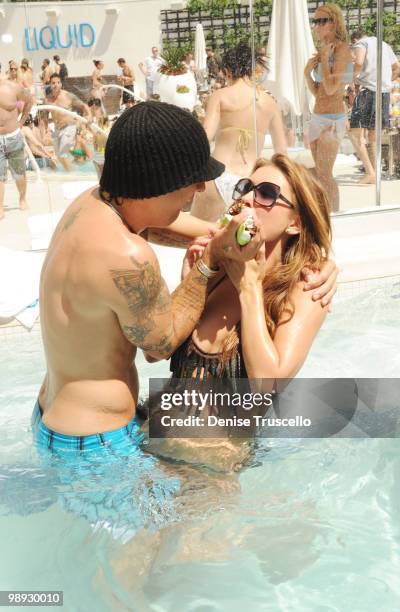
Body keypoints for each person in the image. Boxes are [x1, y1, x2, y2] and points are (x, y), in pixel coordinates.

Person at [34, 100, 267, 454]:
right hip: (97, 443)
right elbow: (160, 347)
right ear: (160, 182)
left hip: (56, 415)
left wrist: (220, 234)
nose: (201, 189)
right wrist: (209, 261)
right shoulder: (127, 256)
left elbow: (156, 224)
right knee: (206, 497)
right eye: (193, 180)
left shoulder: (90, 205)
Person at [148, 154, 334, 469]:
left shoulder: (305, 288)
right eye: (247, 187)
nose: (248, 197)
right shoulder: (217, 263)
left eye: (266, 194)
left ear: (295, 222)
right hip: (151, 440)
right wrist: (194, 279)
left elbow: (267, 386)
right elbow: (155, 350)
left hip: (210, 465)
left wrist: (250, 287)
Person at [191, 42, 288, 222]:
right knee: (241, 242)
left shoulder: (220, 96)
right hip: (249, 182)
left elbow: (204, 139)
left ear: (228, 70)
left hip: (218, 175)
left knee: (200, 239)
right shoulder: (270, 103)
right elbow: (282, 151)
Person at [304, 3, 353, 212]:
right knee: (318, 175)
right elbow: (319, 92)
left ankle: (335, 215)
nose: (317, 25)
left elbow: (333, 89)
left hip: (333, 118)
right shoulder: (323, 49)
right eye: (315, 20)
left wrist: (324, 59)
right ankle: (324, 214)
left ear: (334, 22)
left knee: (325, 174)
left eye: (322, 20)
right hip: (318, 116)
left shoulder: (342, 50)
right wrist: (307, 73)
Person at [348, 28, 400, 184]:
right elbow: (397, 68)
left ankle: (371, 172)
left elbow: (358, 62)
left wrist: (353, 79)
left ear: (355, 41)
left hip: (366, 92)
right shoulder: (384, 45)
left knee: (354, 134)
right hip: (383, 93)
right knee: (373, 135)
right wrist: (384, 81)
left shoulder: (361, 43)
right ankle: (375, 173)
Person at [0, 70, 33, 219]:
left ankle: (22, 198)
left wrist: (21, 122)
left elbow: (30, 100)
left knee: (19, 173)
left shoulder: (12, 87)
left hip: (13, 136)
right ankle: (0, 207)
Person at [45, 73, 91, 172]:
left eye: (58, 82)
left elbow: (83, 105)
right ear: (50, 84)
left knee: (63, 154)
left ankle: (72, 175)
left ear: (61, 84)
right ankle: (72, 172)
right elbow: (44, 116)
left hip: (69, 127)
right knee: (59, 156)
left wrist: (89, 115)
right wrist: (45, 130)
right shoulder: (48, 99)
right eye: (53, 83)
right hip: (57, 129)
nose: (55, 85)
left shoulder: (68, 96)